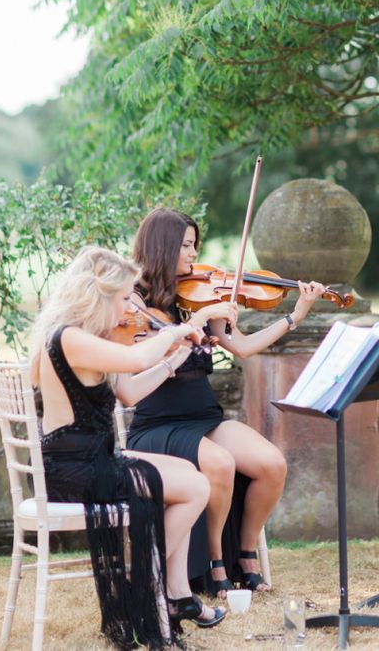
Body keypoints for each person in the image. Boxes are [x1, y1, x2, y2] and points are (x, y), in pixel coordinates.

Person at [29, 246, 226, 649]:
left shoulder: (80, 338)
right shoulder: (70, 338)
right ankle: (143, 582)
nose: (127, 308)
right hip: (78, 468)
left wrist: (176, 358)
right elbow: (135, 360)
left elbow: (130, 392)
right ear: (98, 296)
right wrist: (173, 332)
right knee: (197, 488)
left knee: (188, 475)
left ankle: (174, 594)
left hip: (85, 458)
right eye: (122, 298)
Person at [125, 207, 326, 598]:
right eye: (185, 246)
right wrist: (202, 320)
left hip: (203, 415)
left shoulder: (199, 295)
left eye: (194, 246)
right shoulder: (135, 301)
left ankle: (245, 553)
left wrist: (295, 316)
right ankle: (217, 563)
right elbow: (141, 359)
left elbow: (244, 347)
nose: (193, 255)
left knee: (272, 464)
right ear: (163, 246)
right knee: (220, 462)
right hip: (158, 426)